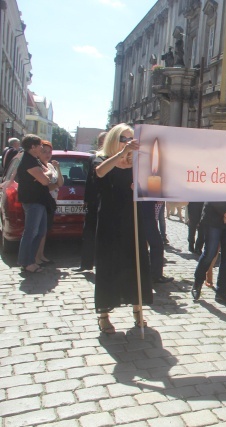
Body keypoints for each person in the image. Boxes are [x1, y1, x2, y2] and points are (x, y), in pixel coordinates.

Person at [94, 124, 153, 334]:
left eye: (130, 138)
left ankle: (138, 310)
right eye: (122, 138)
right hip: (110, 220)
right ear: (113, 139)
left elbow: (153, 185)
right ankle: (103, 315)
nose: (128, 141)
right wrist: (122, 153)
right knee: (109, 264)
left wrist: (141, 187)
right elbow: (100, 173)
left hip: (132, 218)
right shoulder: (101, 158)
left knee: (135, 262)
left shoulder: (137, 163)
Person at [190, 201, 226, 306]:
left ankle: (221, 292)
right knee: (210, 253)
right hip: (213, 217)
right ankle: (197, 283)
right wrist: (225, 211)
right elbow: (211, 191)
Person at [16, 135, 51, 273]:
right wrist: (47, 174)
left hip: (39, 200)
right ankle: (26, 262)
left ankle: (31, 260)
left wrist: (45, 174)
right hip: (33, 201)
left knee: (40, 231)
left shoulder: (34, 160)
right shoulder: (28, 161)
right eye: (40, 146)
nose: (42, 148)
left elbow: (44, 176)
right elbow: (45, 181)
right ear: (33, 147)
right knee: (31, 232)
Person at [80, 132, 106, 271]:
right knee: (89, 231)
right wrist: (86, 199)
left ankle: (102, 264)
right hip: (93, 200)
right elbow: (89, 181)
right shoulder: (93, 158)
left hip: (106, 200)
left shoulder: (114, 158)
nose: (102, 144)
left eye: (105, 141)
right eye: (100, 141)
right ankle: (86, 264)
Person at [34, 140, 63, 266]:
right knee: (39, 230)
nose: (47, 154)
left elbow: (60, 183)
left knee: (45, 230)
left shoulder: (50, 166)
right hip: (42, 201)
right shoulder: (38, 166)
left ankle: (41, 255)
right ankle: (35, 256)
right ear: (38, 152)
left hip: (51, 201)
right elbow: (44, 186)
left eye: (49, 152)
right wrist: (55, 185)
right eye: (44, 151)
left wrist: (57, 167)